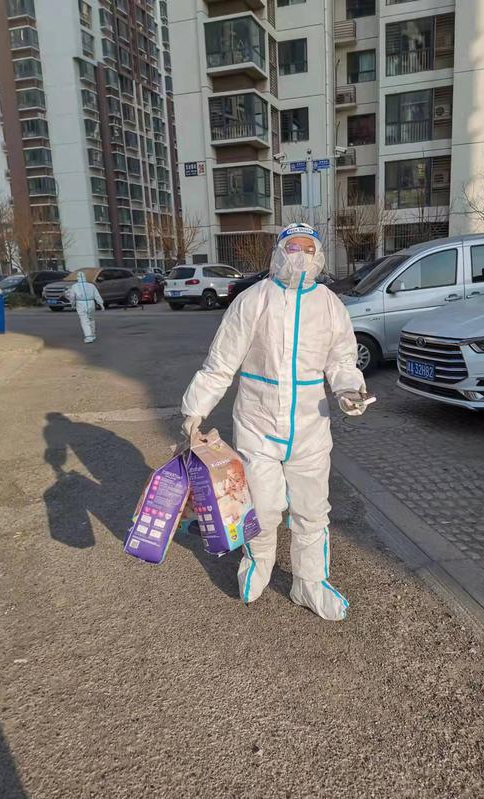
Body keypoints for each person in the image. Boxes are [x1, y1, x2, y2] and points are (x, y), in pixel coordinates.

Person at [181, 223, 370, 621]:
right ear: (278, 253)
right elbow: (221, 363)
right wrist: (195, 410)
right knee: (263, 507)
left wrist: (349, 390)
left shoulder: (330, 305)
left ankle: (310, 582)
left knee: (311, 510)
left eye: (308, 248)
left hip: (310, 427)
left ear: (319, 255)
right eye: (292, 248)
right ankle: (259, 561)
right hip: (258, 424)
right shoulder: (252, 300)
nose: (300, 256)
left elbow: (341, 359)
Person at [66, 271, 104, 343]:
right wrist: (101, 303)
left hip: (81, 304)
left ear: (77, 278)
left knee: (84, 320)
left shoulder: (75, 286)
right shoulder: (91, 285)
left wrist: (72, 304)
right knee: (91, 319)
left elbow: (72, 297)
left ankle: (89, 336)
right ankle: (93, 334)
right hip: (91, 303)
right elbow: (96, 295)